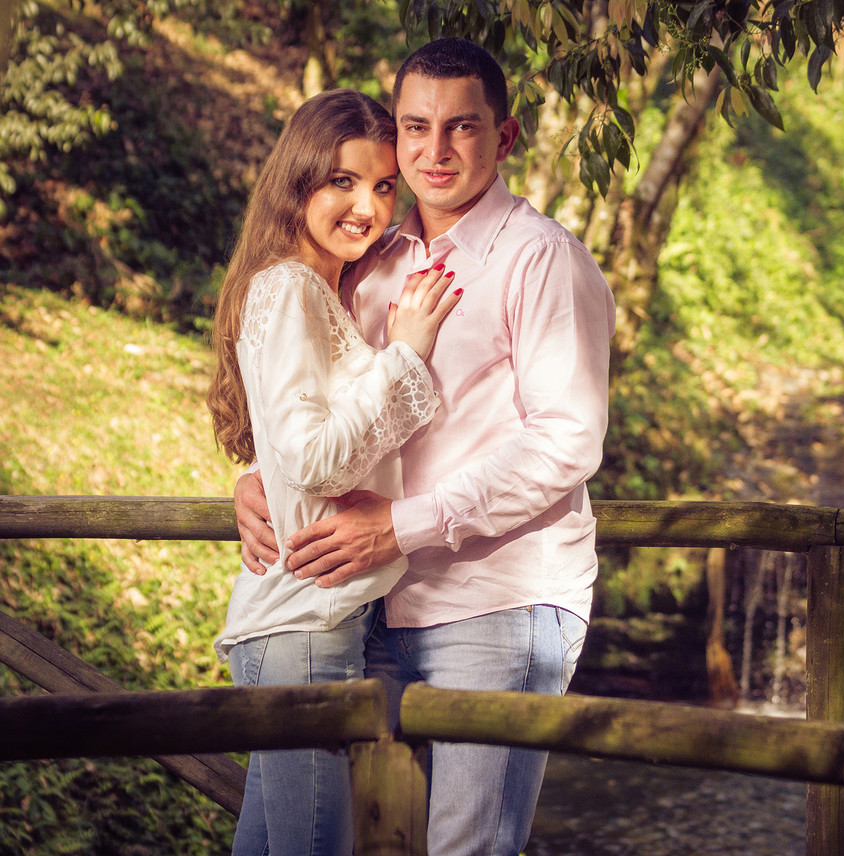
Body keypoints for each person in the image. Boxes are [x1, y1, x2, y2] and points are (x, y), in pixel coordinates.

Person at [233, 38, 616, 856]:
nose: (434, 152)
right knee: (341, 839)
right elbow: (314, 403)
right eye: (415, 127)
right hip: (369, 608)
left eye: (461, 128)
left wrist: (402, 524)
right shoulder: (370, 261)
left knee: (465, 851)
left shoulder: (541, 259)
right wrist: (257, 474)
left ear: (504, 138)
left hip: (499, 603)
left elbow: (568, 440)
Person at [207, 87, 462, 856]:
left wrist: (256, 475)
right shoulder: (288, 288)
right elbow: (313, 458)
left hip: (307, 623)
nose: (368, 206)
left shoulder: (313, 288)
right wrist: (406, 355)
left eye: (385, 186)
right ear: (299, 182)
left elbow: (289, 444)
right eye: (343, 182)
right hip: (303, 628)